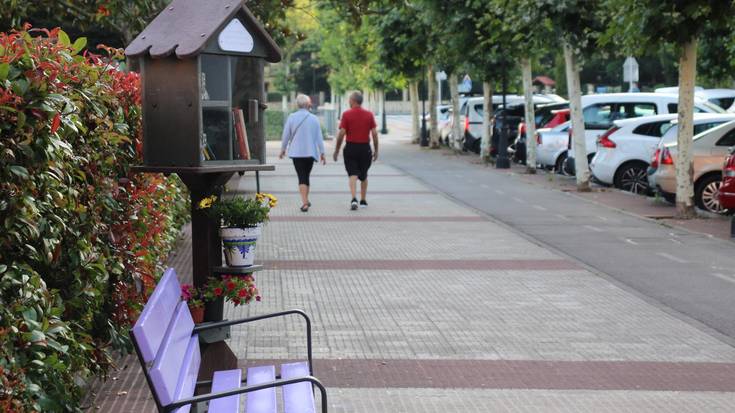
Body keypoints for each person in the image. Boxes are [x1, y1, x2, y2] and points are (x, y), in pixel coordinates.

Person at [279, 94, 326, 212]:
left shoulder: (292, 117)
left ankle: (305, 202)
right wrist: (322, 153)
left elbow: (286, 135)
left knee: (302, 176)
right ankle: (306, 200)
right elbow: (319, 137)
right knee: (306, 176)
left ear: (297, 105)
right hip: (310, 153)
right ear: (308, 105)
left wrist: (283, 149)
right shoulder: (314, 118)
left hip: (296, 153)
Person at [333, 91, 379, 210]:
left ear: (353, 101)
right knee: (363, 175)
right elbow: (374, 134)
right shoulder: (369, 115)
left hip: (351, 148)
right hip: (365, 149)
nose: (348, 101)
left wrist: (337, 150)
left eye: (349, 100)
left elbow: (342, 133)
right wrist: (376, 150)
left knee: (352, 174)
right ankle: (363, 200)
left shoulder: (347, 114)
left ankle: (354, 198)